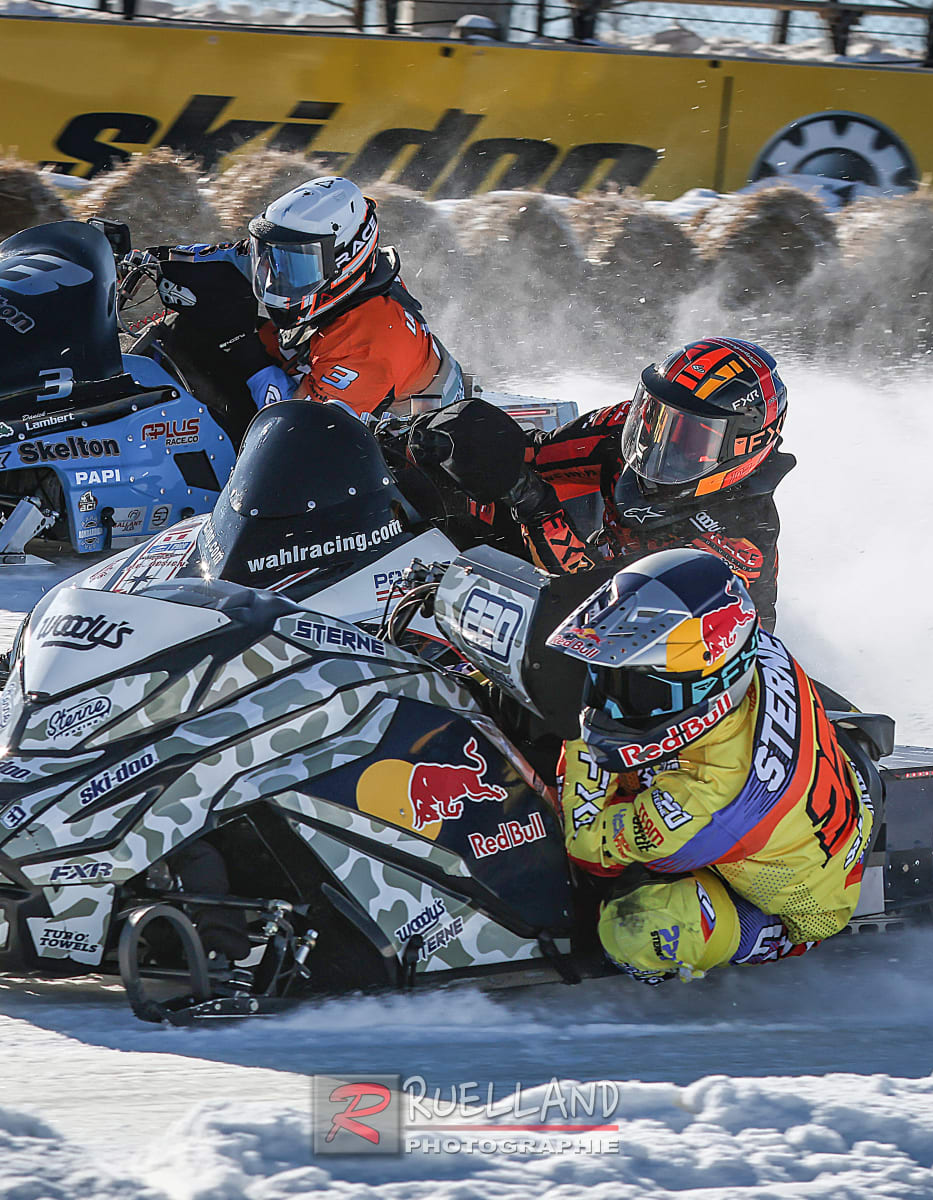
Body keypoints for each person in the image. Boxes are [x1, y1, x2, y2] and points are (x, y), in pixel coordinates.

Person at [548, 547, 874, 983]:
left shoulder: (711, 796)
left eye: (637, 686)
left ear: (706, 684)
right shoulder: (742, 639)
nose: (612, 694)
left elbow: (588, 848)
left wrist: (574, 728)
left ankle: (735, 944)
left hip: (798, 907)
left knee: (638, 927)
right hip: (807, 800)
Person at [407, 336, 794, 629]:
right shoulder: (633, 427)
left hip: (662, 654)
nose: (659, 440)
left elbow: (602, 615)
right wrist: (454, 438)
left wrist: (536, 506)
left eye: (691, 436)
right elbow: (533, 453)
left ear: (744, 448)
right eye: (658, 413)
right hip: (590, 588)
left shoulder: (738, 542)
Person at [126, 175, 463, 424]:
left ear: (346, 260)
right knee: (183, 331)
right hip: (312, 365)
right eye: (273, 257)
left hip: (368, 449)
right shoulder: (330, 274)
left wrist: (243, 348)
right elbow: (233, 255)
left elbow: (293, 430)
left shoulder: (373, 343)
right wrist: (155, 258)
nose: (276, 275)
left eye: (294, 265)